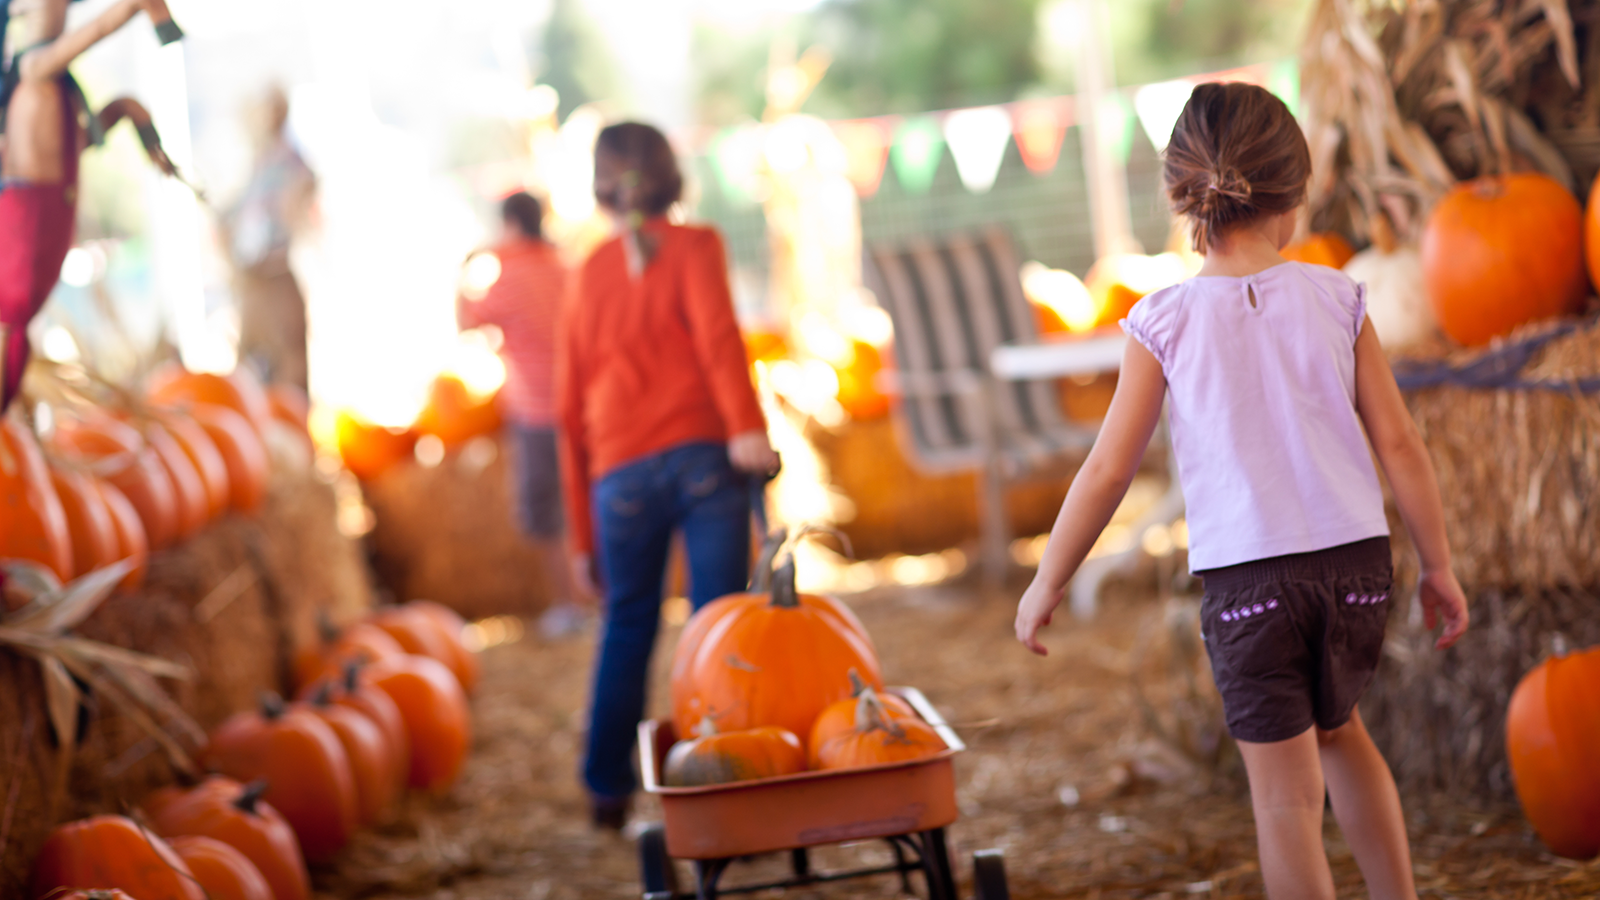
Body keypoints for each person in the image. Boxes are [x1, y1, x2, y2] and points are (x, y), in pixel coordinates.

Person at [1014, 82, 1469, 900]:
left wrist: (1049, 578)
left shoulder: (1163, 323)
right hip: (1356, 570)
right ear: (1292, 198)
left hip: (1250, 587)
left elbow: (1108, 471)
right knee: (1345, 735)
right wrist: (1439, 565)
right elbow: (1399, 442)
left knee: (1286, 799)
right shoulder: (1339, 298)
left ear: (1184, 197)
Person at [556, 121, 778, 829]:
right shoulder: (697, 245)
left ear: (602, 186)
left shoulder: (585, 276)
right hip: (703, 458)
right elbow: (718, 337)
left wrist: (581, 538)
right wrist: (747, 428)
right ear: (670, 176)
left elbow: (566, 413)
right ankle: (719, 786)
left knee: (627, 622)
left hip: (616, 476)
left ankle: (605, 788)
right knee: (714, 624)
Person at [0, 0, 179, 411]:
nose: (61, 10)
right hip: (27, 238)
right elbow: (98, 29)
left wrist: (136, 119)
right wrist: (140, 7)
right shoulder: (35, 69)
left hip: (39, 228)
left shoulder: (53, 86)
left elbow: (70, 149)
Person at [456, 191, 577, 629]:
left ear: (509, 226)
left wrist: (468, 267)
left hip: (537, 412)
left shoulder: (509, 279)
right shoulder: (565, 268)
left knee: (545, 511)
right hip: (579, 405)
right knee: (582, 503)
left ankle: (568, 605)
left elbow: (466, 324)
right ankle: (595, 597)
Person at [223, 83, 315, 391]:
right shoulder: (258, 163)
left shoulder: (290, 160)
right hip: (253, 280)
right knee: (253, 372)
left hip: (275, 274)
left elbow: (302, 198)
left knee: (289, 370)